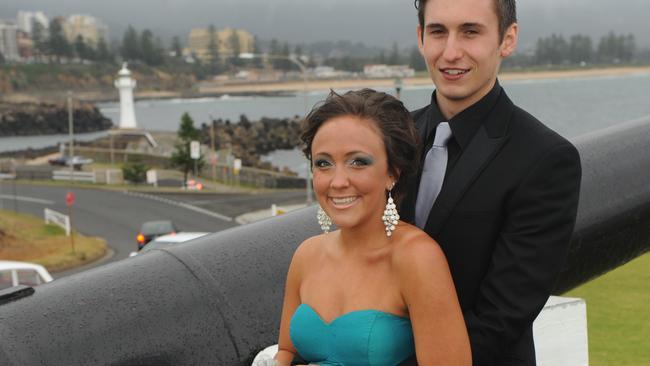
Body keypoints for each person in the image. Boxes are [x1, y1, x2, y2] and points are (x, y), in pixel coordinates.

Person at [399, 0, 582, 365]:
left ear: (507, 40)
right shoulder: (392, 138)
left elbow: (499, 321)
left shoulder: (545, 159)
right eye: (438, 32)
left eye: (470, 31)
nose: (451, 52)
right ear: (421, 37)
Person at [273, 89, 472, 366]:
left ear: (392, 172)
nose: (338, 181)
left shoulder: (417, 258)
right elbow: (286, 352)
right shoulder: (306, 255)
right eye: (323, 163)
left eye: (358, 162)